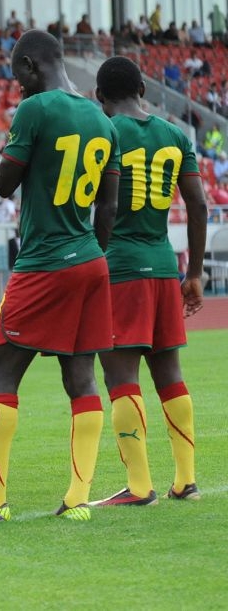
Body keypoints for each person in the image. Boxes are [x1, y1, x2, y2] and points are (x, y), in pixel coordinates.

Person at [0, 30, 119, 523]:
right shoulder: (104, 122)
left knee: (1, 372)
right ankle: (78, 499)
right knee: (81, 377)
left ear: (29, 66)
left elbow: (3, 183)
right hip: (91, 260)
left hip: (43, 261)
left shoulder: (34, 109)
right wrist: (90, 256)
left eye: (16, 73)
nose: (16, 83)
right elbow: (108, 209)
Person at [89, 57, 207, 507]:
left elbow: (103, 206)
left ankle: (139, 487)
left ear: (99, 97)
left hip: (119, 266)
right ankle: (186, 481)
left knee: (121, 375)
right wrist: (193, 273)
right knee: (169, 373)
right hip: (162, 264)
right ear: (142, 88)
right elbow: (198, 206)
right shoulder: (176, 135)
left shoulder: (104, 132)